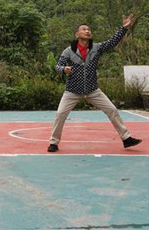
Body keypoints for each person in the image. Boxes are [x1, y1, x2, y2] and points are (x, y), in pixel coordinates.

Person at [47, 14, 142, 152]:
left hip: (93, 90)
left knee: (112, 110)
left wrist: (124, 28)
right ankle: (54, 142)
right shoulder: (68, 51)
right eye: (84, 29)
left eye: (89, 30)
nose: (87, 31)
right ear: (77, 34)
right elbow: (58, 67)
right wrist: (64, 69)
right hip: (72, 91)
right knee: (60, 114)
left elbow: (112, 42)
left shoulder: (96, 48)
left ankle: (126, 138)